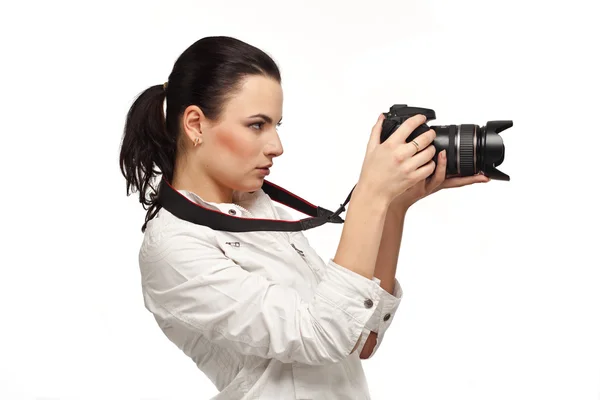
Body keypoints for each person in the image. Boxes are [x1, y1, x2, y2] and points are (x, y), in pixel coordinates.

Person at [119, 35, 489, 400]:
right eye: (256, 125)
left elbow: (361, 338)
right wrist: (369, 197)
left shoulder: (257, 209)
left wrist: (393, 205)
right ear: (196, 124)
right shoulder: (173, 248)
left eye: (276, 125)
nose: (276, 146)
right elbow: (324, 334)